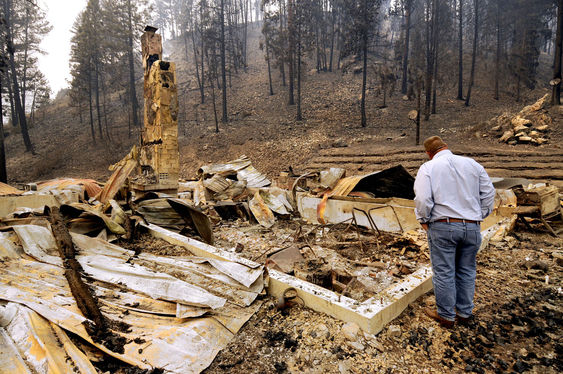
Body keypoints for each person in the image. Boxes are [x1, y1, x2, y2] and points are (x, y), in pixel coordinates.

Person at [414, 136, 495, 328]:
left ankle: (447, 317)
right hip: (472, 227)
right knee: (467, 270)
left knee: (444, 272)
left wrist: (424, 220)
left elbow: (423, 199)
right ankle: (465, 313)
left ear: (428, 153)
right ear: (446, 147)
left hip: (443, 226)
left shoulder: (428, 168)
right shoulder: (473, 164)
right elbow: (489, 193)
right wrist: (477, 216)